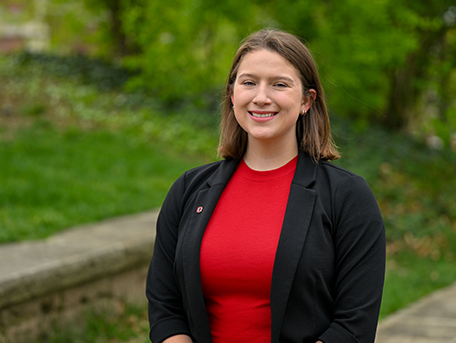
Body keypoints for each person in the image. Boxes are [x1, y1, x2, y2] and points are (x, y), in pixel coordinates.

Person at [146, 29, 385, 343]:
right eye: (248, 82)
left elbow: (354, 325)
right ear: (233, 95)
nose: (261, 96)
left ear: (306, 101)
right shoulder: (188, 190)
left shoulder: (347, 196)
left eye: (279, 84)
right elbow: (165, 307)